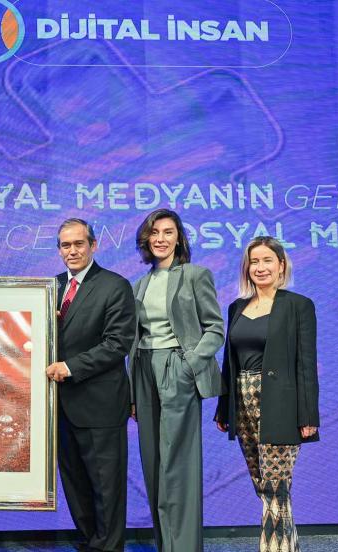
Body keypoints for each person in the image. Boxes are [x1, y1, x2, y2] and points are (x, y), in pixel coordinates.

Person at [215, 236, 319, 552]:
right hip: (242, 403)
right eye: (254, 262)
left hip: (281, 405)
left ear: (281, 266)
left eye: (267, 260)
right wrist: (223, 407)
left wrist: (308, 416)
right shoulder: (236, 307)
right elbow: (229, 362)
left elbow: (306, 364)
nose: (260, 267)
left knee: (276, 487)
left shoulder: (298, 305)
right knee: (264, 487)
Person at [129, 209, 224, 552]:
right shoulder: (139, 285)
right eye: (154, 232)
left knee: (177, 464)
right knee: (153, 465)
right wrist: (132, 394)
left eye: (168, 232)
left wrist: (189, 364)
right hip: (143, 371)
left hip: (176, 369)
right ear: (146, 239)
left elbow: (215, 328)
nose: (160, 238)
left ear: (179, 238)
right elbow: (134, 340)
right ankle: (165, 545)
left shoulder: (196, 275)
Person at [45, 218, 135, 552]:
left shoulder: (115, 286)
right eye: (65, 245)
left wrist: (70, 367)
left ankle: (108, 547)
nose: (72, 251)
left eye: (78, 244)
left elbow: (117, 344)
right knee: (75, 486)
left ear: (93, 245)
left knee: (106, 488)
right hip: (59, 407)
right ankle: (91, 542)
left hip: (100, 406)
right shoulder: (50, 287)